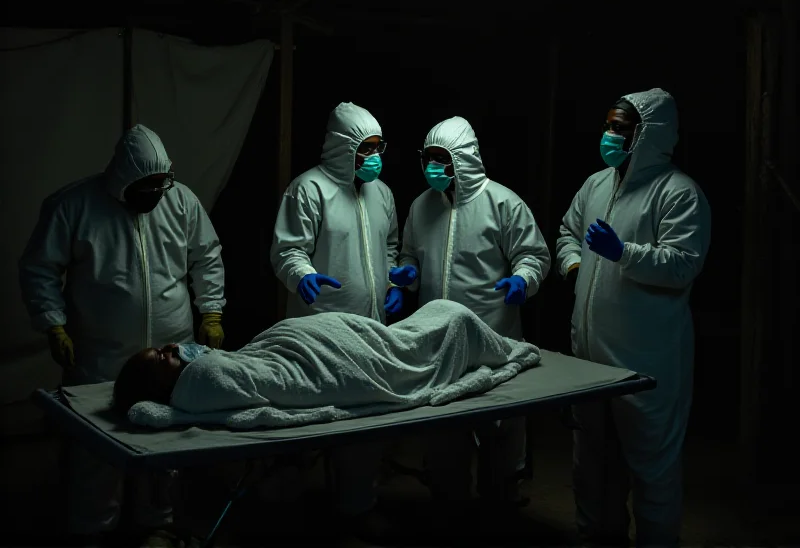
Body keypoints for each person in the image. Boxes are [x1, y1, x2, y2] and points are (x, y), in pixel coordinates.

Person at [19, 124, 227, 546]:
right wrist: (53, 323)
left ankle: (157, 521)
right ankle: (92, 526)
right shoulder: (73, 206)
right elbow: (40, 267)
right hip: (99, 351)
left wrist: (212, 311)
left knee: (166, 437)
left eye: (160, 184)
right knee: (94, 441)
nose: (154, 193)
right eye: (145, 186)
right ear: (122, 180)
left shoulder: (180, 201)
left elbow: (207, 257)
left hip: (170, 348)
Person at [555, 88, 711, 547]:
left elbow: (684, 263)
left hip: (648, 364)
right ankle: (597, 538)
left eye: (619, 128)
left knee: (651, 468)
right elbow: (568, 231)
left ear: (648, 133)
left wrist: (625, 253)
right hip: (590, 360)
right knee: (592, 466)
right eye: (607, 125)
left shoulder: (678, 192)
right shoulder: (596, 184)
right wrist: (575, 264)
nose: (608, 134)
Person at [394, 116, 551, 508]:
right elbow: (409, 252)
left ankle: (502, 499)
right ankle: (450, 505)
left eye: (440, 158)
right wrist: (407, 275)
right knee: (444, 434)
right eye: (427, 158)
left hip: (494, 339)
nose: (432, 166)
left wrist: (523, 280)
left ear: (461, 159)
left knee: (501, 429)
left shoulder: (502, 203)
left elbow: (533, 255)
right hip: (439, 344)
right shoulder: (421, 205)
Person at [270, 102, 400, 524]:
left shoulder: (382, 194)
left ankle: (357, 507)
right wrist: (301, 275)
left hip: (371, 330)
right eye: (368, 148)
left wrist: (394, 283)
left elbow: (390, 246)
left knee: (365, 425)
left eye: (380, 147)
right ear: (345, 147)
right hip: (319, 331)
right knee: (306, 423)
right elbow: (288, 248)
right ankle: (291, 515)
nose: (376, 156)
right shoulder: (309, 189)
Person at [111, 299, 539, 421]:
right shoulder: (203, 377)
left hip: (373, 340)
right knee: (454, 318)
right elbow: (293, 378)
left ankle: (488, 346)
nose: (171, 347)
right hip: (365, 359)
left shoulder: (222, 364)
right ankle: (500, 351)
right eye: (162, 357)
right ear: (161, 387)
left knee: (438, 318)